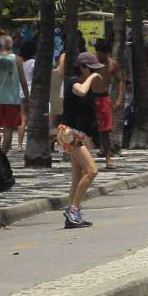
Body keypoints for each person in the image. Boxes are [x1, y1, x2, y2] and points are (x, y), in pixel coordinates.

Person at [58, 52, 103, 228]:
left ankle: (72, 213)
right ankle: (73, 210)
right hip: (69, 132)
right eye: (90, 69)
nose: (92, 72)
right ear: (83, 68)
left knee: (77, 176)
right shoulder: (73, 82)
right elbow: (81, 92)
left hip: (78, 134)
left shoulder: (85, 83)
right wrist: (92, 77)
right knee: (92, 171)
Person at [0, 35, 28, 154]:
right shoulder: (17, 59)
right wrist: (27, 97)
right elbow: (23, 81)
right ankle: (2, 155)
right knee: (8, 130)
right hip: (12, 99)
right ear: (10, 44)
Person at [92, 38, 122, 167]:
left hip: (104, 97)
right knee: (84, 129)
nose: (102, 55)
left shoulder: (112, 64)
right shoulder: (91, 62)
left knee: (106, 130)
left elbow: (120, 80)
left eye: (104, 53)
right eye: (100, 52)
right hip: (90, 97)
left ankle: (108, 158)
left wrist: (119, 99)